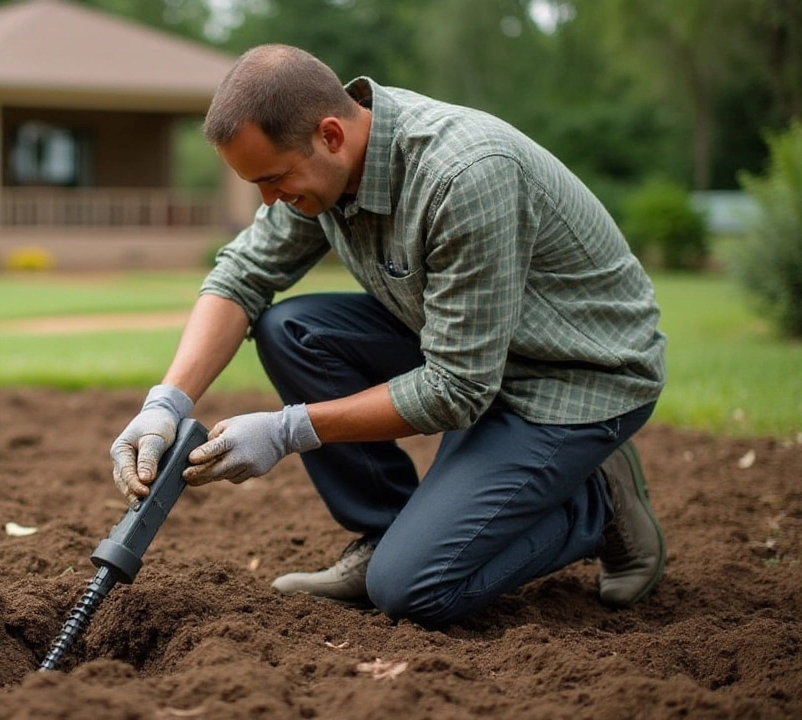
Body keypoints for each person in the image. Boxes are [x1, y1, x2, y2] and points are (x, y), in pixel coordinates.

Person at [108, 44, 667, 629]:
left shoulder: (463, 176)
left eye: (273, 179)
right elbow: (241, 276)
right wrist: (166, 402)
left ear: (330, 134)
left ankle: (597, 502)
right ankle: (387, 530)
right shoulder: (325, 165)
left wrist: (287, 430)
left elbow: (457, 389)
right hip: (475, 348)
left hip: (572, 377)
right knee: (292, 331)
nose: (268, 201)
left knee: (411, 590)